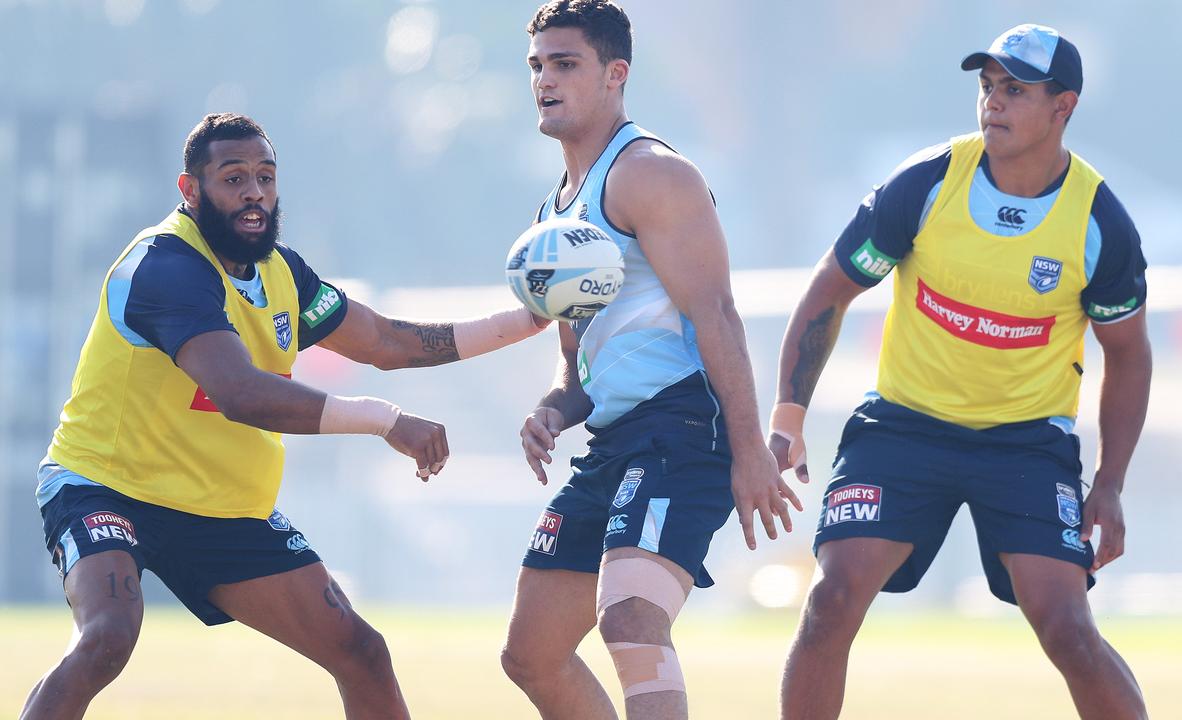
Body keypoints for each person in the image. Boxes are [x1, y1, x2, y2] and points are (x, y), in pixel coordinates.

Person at [22, 113, 549, 720]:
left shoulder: (284, 273)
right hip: (107, 487)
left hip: (222, 506)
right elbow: (240, 393)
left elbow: (386, 341)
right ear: (190, 191)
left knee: (361, 652)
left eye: (266, 177)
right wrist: (385, 420)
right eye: (234, 178)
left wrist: (527, 320)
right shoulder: (165, 266)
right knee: (108, 637)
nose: (254, 193)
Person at [771, 25, 1152, 720]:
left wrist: (1112, 483)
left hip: (1025, 444)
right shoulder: (926, 182)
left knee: (1068, 630)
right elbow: (830, 291)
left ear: (1063, 108)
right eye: (986, 86)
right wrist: (787, 420)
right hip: (903, 429)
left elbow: (1127, 353)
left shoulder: (1099, 221)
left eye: (1015, 89)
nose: (993, 103)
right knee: (830, 602)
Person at [499, 2, 801, 718]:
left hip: (684, 432)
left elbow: (719, 316)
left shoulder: (652, 174)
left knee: (632, 621)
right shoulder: (553, 215)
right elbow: (578, 368)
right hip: (615, 443)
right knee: (531, 654)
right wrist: (552, 407)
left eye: (565, 63)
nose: (545, 79)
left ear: (616, 74)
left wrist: (751, 449)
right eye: (537, 65)